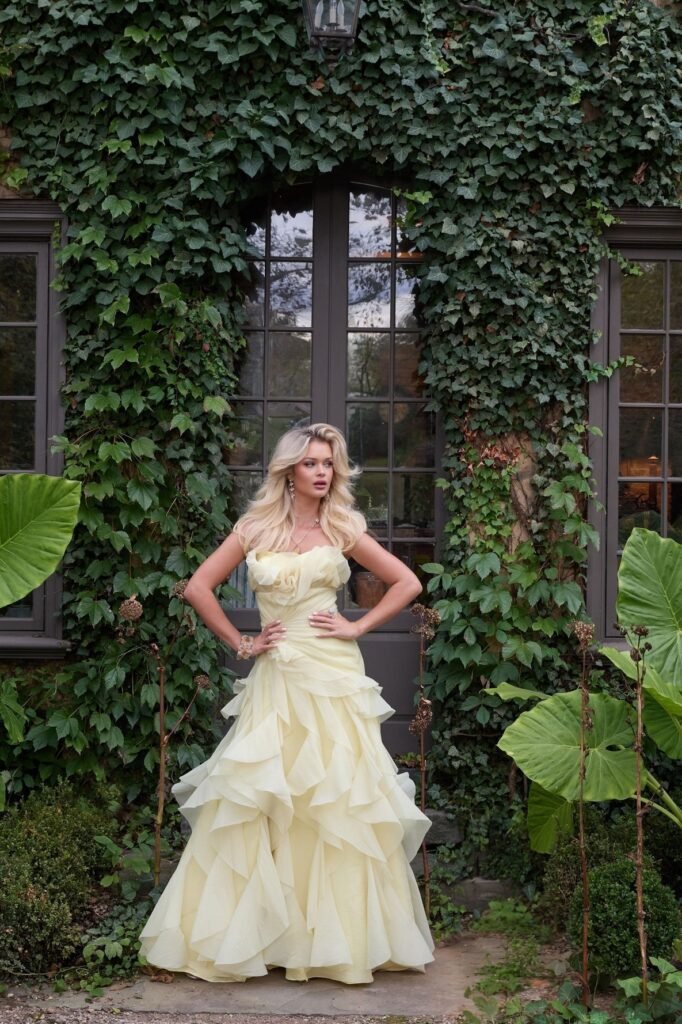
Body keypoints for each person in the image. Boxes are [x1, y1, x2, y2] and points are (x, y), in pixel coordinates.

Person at [139, 422, 435, 985]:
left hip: (332, 673)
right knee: (266, 797)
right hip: (277, 675)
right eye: (311, 463)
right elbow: (198, 587)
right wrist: (243, 643)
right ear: (289, 470)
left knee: (334, 799)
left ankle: (337, 943)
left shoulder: (343, 527)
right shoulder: (254, 527)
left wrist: (357, 627)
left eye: (328, 463)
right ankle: (263, 938)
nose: (322, 472)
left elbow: (407, 583)